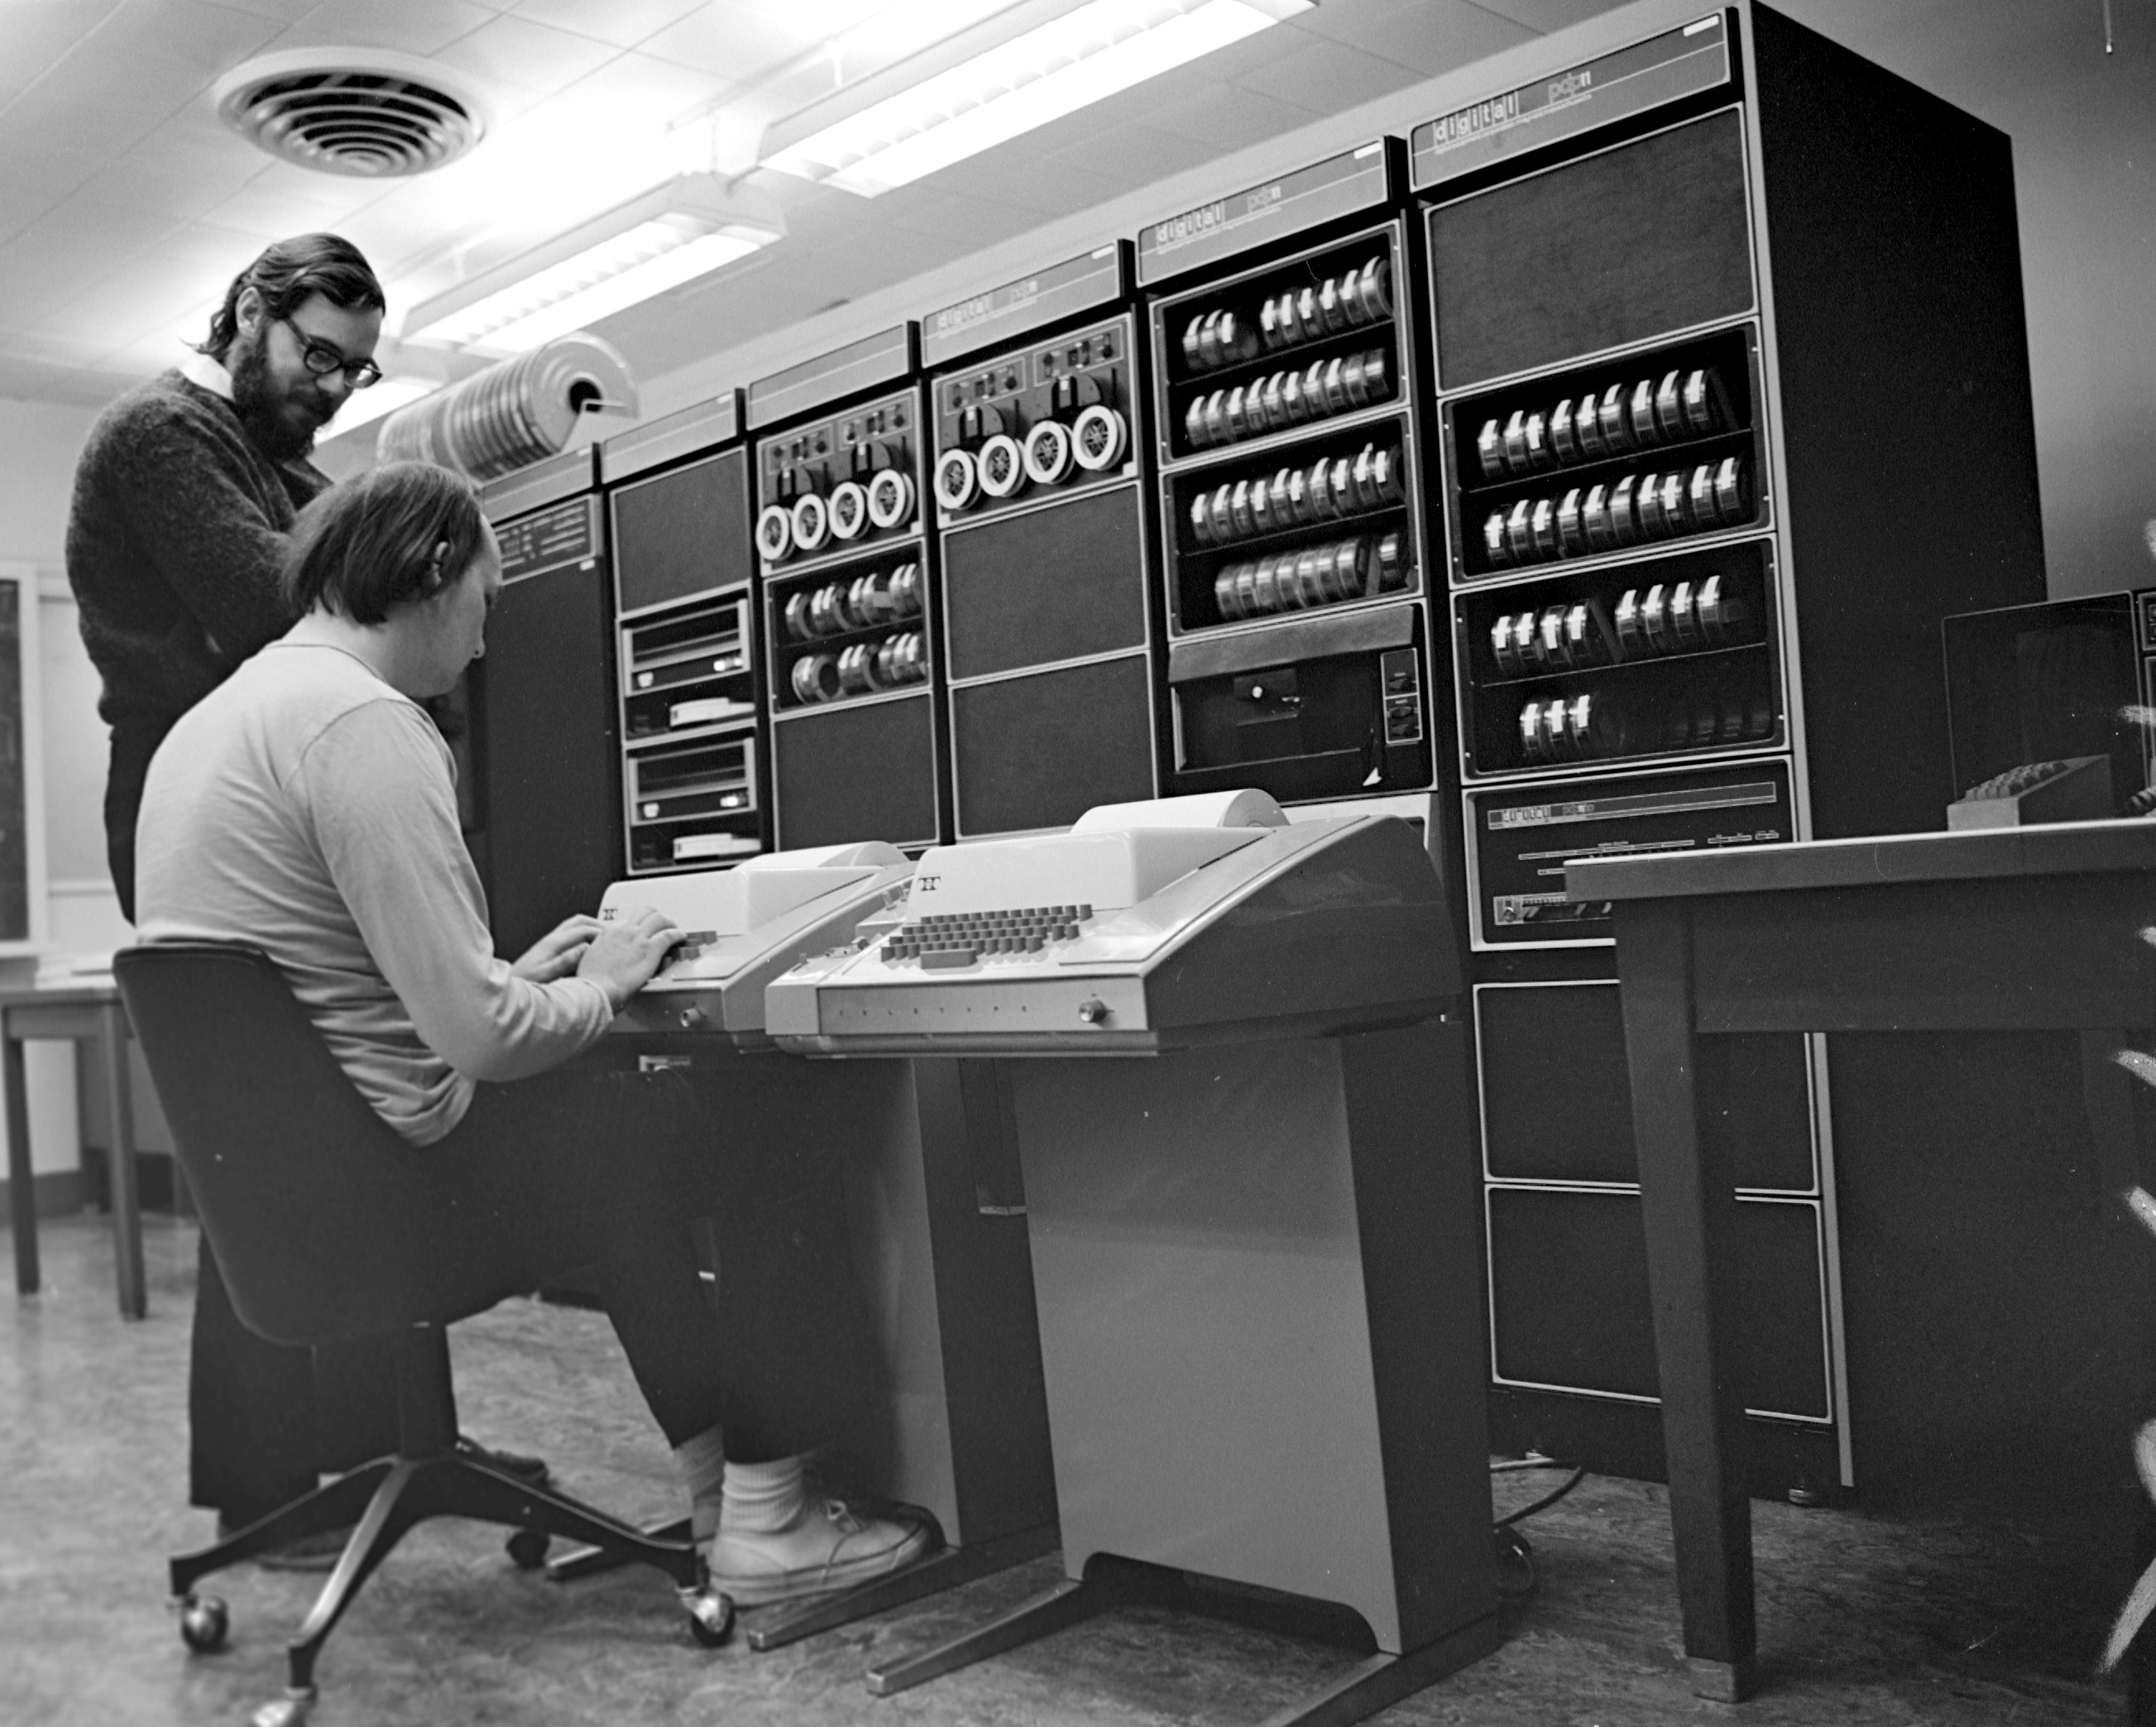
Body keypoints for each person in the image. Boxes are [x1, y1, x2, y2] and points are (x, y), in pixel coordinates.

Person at [133, 460, 927, 1603]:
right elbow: (490, 1046)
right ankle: (774, 1522)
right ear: (433, 569)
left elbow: (329, 993)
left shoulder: (219, 723)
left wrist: (512, 977)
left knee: (617, 1135)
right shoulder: (362, 724)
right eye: (487, 603)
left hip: (307, 1204)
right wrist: (599, 986)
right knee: (762, 1102)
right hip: (408, 1193)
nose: (483, 644)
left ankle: (722, 1498)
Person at [63, 235, 541, 1558]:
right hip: (206, 797)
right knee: (271, 1135)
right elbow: (274, 602)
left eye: (357, 368)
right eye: (314, 352)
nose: (331, 385)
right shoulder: (161, 431)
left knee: (374, 1103)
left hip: (281, 783)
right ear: (248, 315)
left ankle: (397, 1443)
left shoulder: (287, 467)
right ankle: (271, 1486)